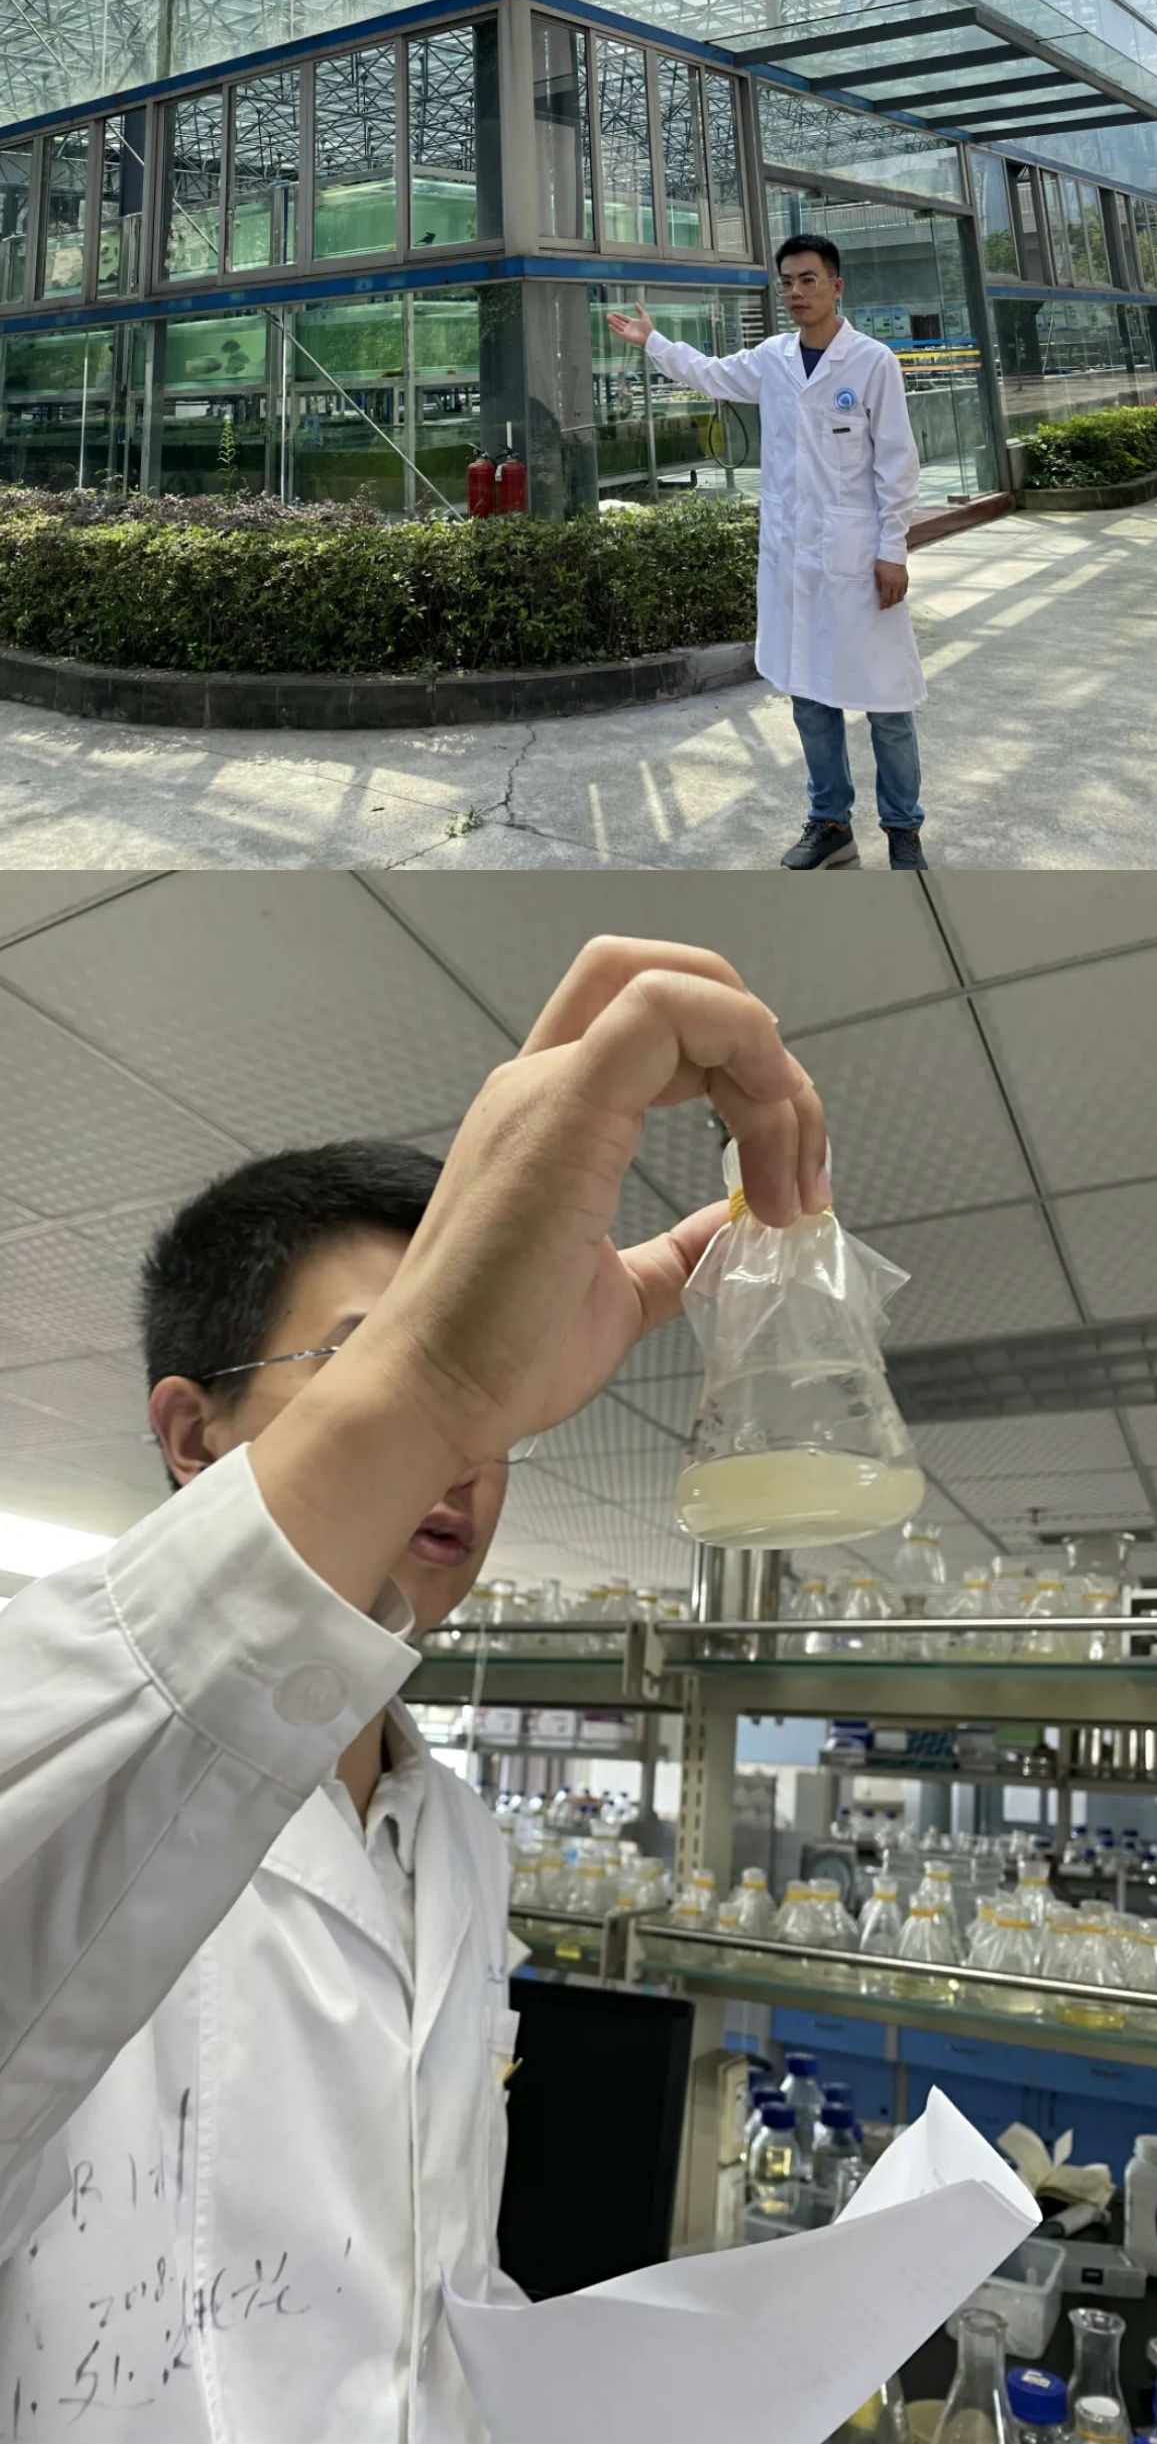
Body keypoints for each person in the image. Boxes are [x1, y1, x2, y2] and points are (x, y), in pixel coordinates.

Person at [0, 936, 827, 2442]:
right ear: (191, 1433)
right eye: (370, 1359)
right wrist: (435, 1372)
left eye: (498, 1407)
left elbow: (433, 2272)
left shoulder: (455, 1841)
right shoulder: (63, 1770)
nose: (467, 1452)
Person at [607, 236, 929, 869]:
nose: (795, 292)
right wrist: (654, 342)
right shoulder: (772, 360)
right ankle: (830, 821)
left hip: (859, 556)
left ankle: (902, 830)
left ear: (836, 286)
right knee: (809, 694)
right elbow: (710, 373)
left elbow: (897, 463)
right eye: (786, 282)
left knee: (887, 699)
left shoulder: (872, 362)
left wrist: (893, 549)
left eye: (808, 280)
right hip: (794, 557)